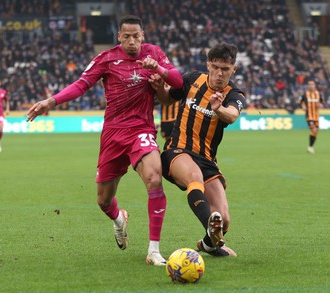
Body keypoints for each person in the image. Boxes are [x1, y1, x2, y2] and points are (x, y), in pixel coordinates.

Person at [26, 15, 183, 265]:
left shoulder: (154, 54)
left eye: (136, 36)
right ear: (119, 36)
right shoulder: (106, 58)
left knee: (154, 178)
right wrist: (50, 101)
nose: (132, 41)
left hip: (141, 129)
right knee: (103, 200)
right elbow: (81, 85)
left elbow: (177, 83)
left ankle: (154, 251)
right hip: (113, 133)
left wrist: (158, 71)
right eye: (127, 36)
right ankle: (119, 218)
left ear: (143, 35)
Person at [150, 43, 246, 257]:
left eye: (225, 69)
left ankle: (207, 244)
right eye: (215, 67)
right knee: (195, 177)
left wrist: (218, 108)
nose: (220, 73)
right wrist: (158, 88)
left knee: (225, 219)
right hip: (177, 151)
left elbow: (232, 116)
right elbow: (166, 99)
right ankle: (212, 233)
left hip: (207, 160)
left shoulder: (234, 94)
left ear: (234, 70)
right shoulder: (192, 79)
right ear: (208, 65)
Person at [300, 79, 324, 154]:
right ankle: (310, 148)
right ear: (308, 86)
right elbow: (301, 102)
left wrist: (320, 105)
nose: (311, 86)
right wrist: (303, 106)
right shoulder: (305, 94)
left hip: (316, 115)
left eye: (312, 84)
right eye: (309, 84)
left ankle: (310, 147)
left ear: (314, 85)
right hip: (309, 115)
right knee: (313, 129)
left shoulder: (318, 94)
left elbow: (322, 102)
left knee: (315, 131)